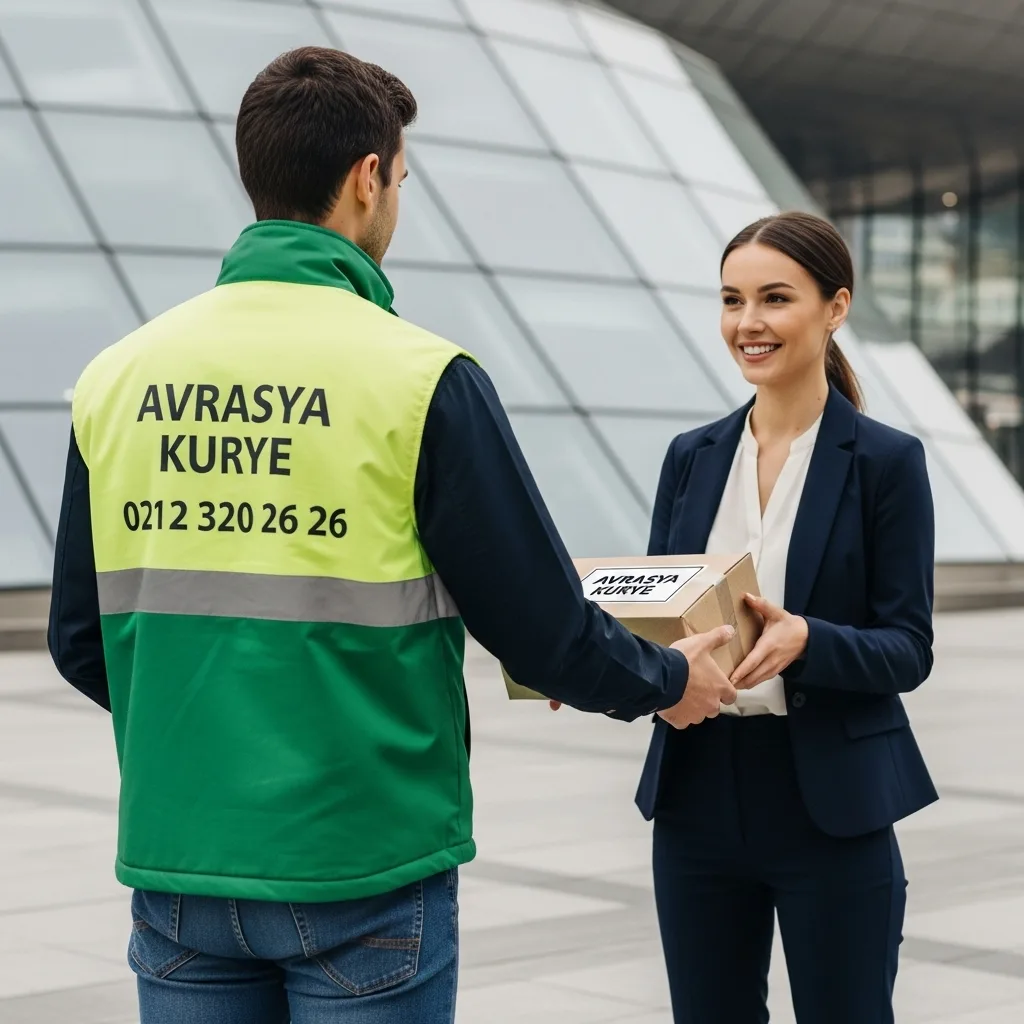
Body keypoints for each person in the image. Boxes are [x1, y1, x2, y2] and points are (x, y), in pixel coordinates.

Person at [47, 47, 737, 1024]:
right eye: (400, 177)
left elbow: (81, 639)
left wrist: (210, 745)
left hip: (179, 867)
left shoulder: (117, 377)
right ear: (368, 177)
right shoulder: (421, 379)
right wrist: (669, 682)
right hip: (362, 865)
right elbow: (538, 624)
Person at [638, 212, 937, 1023]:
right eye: (732, 300)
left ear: (835, 307)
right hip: (697, 794)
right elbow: (661, 617)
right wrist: (607, 667)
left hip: (830, 806)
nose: (748, 323)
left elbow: (909, 648)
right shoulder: (689, 458)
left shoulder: (887, 463)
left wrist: (810, 640)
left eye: (775, 298)